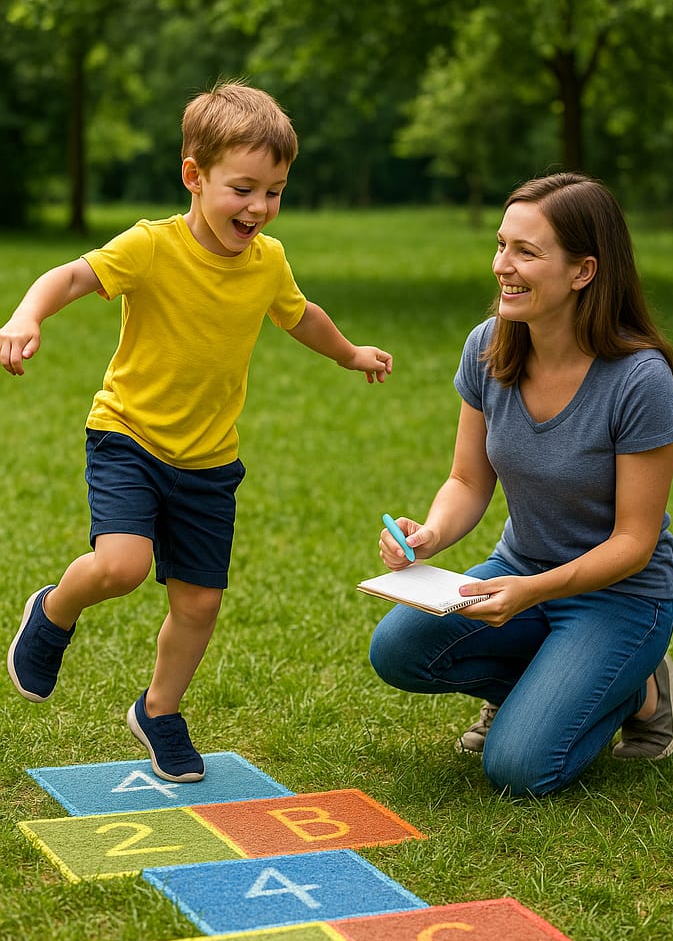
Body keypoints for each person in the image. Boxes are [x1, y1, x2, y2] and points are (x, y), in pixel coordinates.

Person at [1, 81, 392, 784]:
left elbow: (300, 314)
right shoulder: (150, 247)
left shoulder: (268, 260)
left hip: (210, 460)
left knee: (200, 602)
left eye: (273, 192)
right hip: (128, 435)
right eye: (242, 189)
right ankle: (54, 611)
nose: (259, 208)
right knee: (122, 566)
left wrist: (349, 353)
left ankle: (159, 711)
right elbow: (68, 277)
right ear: (194, 176)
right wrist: (27, 317)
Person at [369, 172, 673, 797]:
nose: (501, 266)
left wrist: (533, 591)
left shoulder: (640, 380)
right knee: (398, 648)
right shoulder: (489, 347)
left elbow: (634, 542)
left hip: (619, 596)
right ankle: (555, 681)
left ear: (583, 271)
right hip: (520, 570)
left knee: (517, 769)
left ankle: (639, 693)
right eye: (501, 245)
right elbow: (466, 478)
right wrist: (429, 535)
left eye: (525, 253)